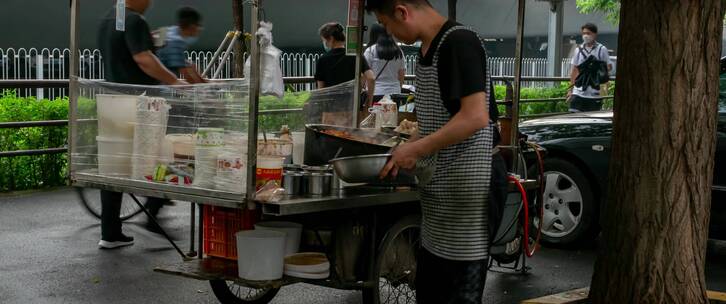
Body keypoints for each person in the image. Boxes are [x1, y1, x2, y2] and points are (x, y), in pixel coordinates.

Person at [369, 1, 494, 303]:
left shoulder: (459, 42)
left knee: (459, 295)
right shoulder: (426, 49)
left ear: (403, 11)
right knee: (431, 291)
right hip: (440, 193)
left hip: (468, 189)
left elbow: (476, 116)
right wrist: (407, 146)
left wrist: (417, 149)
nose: (389, 32)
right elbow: (436, 120)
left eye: (387, 24)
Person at [97, 0, 185, 249]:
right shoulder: (134, 20)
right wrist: (173, 81)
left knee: (114, 167)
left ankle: (110, 231)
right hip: (141, 104)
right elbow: (143, 59)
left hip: (115, 102)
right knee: (157, 155)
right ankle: (154, 214)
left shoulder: (108, 18)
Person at [315, 22, 376, 107]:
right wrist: (369, 103)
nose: (324, 43)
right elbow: (371, 78)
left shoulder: (322, 60)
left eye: (324, 40)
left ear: (331, 39)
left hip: (330, 111)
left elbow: (321, 90)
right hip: (351, 110)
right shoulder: (356, 56)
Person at [567, 23, 613, 112]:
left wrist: (597, 69)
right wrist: (570, 90)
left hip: (594, 94)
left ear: (595, 34)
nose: (585, 36)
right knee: (574, 118)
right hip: (578, 92)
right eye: (584, 33)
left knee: (590, 120)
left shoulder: (601, 49)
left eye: (588, 33)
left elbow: (609, 67)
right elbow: (574, 70)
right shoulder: (578, 50)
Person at [156, 6, 206, 84]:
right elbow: (187, 76)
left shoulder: (164, 31)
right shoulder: (176, 41)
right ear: (192, 27)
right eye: (199, 26)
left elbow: (161, 56)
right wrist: (204, 89)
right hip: (159, 86)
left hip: (149, 80)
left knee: (190, 64)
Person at [364, 24, 405, 103]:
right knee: (392, 115)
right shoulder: (399, 51)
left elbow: (365, 75)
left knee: (375, 115)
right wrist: (397, 88)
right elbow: (401, 75)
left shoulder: (370, 51)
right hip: (394, 94)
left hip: (375, 93)